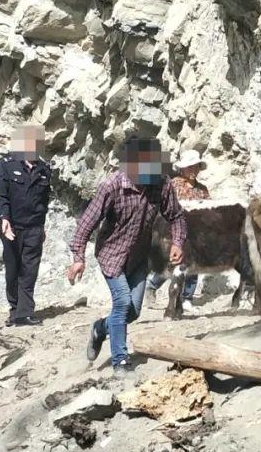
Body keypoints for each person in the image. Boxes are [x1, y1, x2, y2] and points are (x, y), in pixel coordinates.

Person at [68, 135, 186, 377]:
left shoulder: (161, 184)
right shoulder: (111, 187)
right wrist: (78, 257)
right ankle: (120, 361)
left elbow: (176, 216)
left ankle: (100, 329)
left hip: (139, 257)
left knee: (132, 312)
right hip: (111, 254)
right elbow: (87, 223)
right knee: (122, 302)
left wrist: (178, 242)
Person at [0, 124, 53, 327]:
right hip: (12, 227)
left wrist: (42, 226)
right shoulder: (7, 165)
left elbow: (44, 202)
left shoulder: (45, 169)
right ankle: (14, 309)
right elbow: (1, 196)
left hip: (34, 227)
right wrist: (4, 219)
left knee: (30, 270)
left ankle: (25, 313)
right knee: (13, 269)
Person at [146, 149, 210, 313]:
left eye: (195, 167)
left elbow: (208, 209)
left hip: (196, 233)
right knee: (172, 264)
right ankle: (152, 286)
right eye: (190, 167)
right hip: (174, 232)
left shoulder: (203, 190)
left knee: (194, 265)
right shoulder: (173, 185)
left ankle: (187, 298)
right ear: (182, 169)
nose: (193, 171)